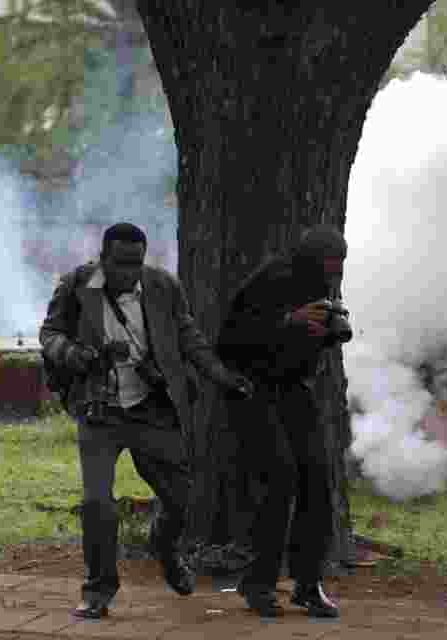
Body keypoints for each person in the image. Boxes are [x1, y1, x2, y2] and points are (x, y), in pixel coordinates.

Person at [39, 223, 253, 620]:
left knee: (182, 499)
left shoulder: (163, 287)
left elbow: (191, 339)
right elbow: (49, 335)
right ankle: (98, 590)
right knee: (97, 503)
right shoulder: (76, 286)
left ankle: (165, 548)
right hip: (99, 409)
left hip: (152, 408)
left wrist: (222, 378)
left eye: (135, 263)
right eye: (120, 263)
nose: (128, 273)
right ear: (104, 257)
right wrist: (80, 355)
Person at [217, 224, 353, 619]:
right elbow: (229, 341)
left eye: (339, 265)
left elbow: (311, 342)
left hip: (293, 390)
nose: (334, 272)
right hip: (253, 390)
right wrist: (288, 322)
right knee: (279, 479)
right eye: (329, 263)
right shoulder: (271, 280)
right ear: (310, 257)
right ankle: (257, 583)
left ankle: (308, 585)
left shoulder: (323, 288)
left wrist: (327, 329)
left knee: (318, 481)